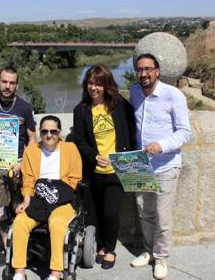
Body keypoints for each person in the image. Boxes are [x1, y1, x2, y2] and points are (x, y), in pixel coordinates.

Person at [129, 54, 191, 279]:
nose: (143, 74)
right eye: (139, 69)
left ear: (157, 71)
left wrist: (162, 145)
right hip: (140, 165)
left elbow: (185, 131)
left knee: (162, 218)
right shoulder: (134, 92)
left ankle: (161, 257)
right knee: (144, 213)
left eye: (148, 69)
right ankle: (149, 251)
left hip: (166, 165)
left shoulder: (173, 95)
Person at [73, 64, 136, 269]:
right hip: (93, 172)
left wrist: (130, 158)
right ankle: (99, 246)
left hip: (116, 170)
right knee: (93, 213)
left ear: (107, 85)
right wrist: (94, 156)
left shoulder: (119, 105)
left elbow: (132, 132)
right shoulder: (81, 110)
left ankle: (110, 249)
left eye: (98, 84)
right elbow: (79, 140)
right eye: (91, 83)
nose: (94, 88)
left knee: (110, 212)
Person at [11, 115, 82, 280]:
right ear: (40, 133)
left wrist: (55, 192)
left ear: (59, 132)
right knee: (20, 222)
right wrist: (26, 201)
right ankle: (19, 272)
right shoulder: (31, 151)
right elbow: (28, 180)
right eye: (44, 131)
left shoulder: (70, 148)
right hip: (38, 198)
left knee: (57, 223)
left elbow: (75, 178)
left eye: (53, 131)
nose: (49, 135)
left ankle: (56, 273)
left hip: (62, 198)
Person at [0, 66, 37, 267]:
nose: (7, 86)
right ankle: (8, 248)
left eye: (12, 83)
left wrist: (23, 162)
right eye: (4, 82)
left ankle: (23, 247)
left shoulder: (24, 107)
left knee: (18, 206)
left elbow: (33, 139)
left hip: (17, 165)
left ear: (17, 85)